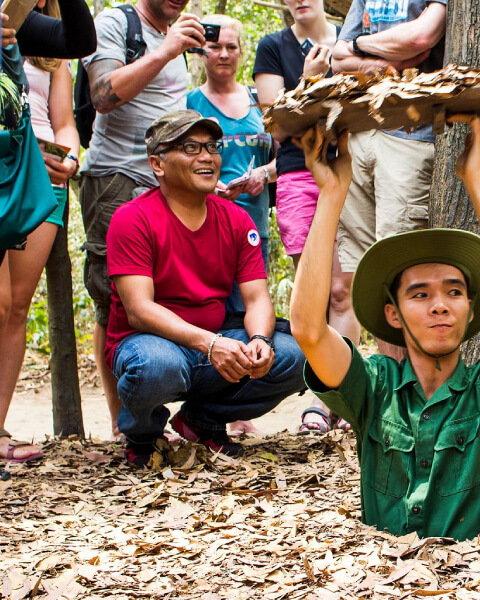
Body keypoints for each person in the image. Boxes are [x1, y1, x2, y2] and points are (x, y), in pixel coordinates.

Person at [291, 106, 480, 541]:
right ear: (393, 314)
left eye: (454, 292)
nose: (439, 306)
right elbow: (308, 331)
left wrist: (477, 180)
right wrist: (332, 194)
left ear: (469, 308)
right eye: (420, 294)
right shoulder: (374, 389)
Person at [106, 110, 306, 467]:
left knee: (292, 355)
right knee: (154, 365)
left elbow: (257, 297)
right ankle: (142, 433)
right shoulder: (132, 218)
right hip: (151, 343)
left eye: (212, 147)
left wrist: (260, 340)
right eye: (191, 147)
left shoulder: (235, 218)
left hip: (215, 341)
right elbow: (138, 309)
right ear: (158, 164)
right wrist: (210, 343)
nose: (207, 157)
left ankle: (201, 420)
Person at [80, 0, 204, 439]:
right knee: (110, 298)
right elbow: (103, 95)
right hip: (117, 177)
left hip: (167, 183)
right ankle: (122, 421)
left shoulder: (179, 34)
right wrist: (165, 50)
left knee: (161, 293)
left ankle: (155, 410)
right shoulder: (117, 22)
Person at [253, 0, 356, 434]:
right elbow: (276, 127)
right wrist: (309, 82)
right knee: (314, 292)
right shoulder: (273, 47)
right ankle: (322, 392)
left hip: (352, 167)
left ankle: (342, 396)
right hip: (298, 174)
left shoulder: (352, 40)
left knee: (344, 290)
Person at [0, 0, 94, 464]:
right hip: (5, 163)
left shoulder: (37, 35)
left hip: (40, 177)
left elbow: (65, 118)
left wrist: (71, 159)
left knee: (15, 308)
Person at [330, 0, 447, 362]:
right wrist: (386, 58)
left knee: (408, 271)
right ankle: (397, 390)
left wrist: (362, 45)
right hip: (358, 136)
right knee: (373, 276)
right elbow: (337, 60)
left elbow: (422, 37)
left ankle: (421, 391)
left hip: (412, 136)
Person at [187, 14, 275, 311]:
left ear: (241, 52)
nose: (224, 54)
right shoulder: (188, 103)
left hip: (254, 227)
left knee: (249, 310)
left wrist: (263, 174)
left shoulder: (260, 101)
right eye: (215, 46)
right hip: (204, 226)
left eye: (231, 47)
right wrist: (209, 188)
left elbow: (285, 159)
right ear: (201, 52)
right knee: (210, 310)